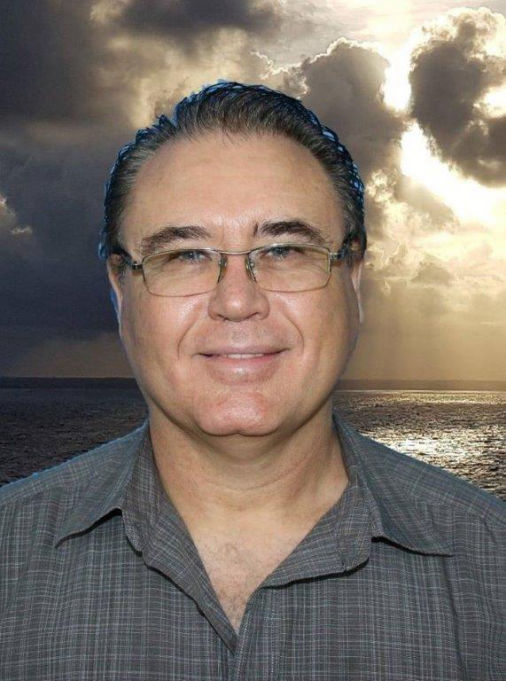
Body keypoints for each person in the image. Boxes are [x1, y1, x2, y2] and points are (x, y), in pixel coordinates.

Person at [0, 81, 504, 680]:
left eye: (284, 250)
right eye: (185, 255)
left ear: (353, 278)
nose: (237, 302)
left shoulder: (492, 567)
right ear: (120, 288)